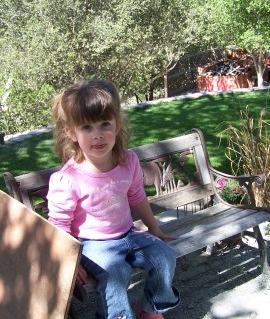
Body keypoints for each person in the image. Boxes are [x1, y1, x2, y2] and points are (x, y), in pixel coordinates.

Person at [47, 79, 180, 319]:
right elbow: (59, 226)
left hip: (129, 234)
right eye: (86, 127)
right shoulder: (67, 179)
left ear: (117, 125)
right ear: (71, 133)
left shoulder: (127, 161)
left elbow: (137, 196)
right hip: (92, 244)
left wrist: (153, 228)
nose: (97, 135)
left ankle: (150, 309)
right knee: (115, 272)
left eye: (104, 124)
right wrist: (71, 262)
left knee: (165, 256)